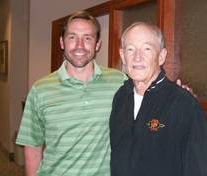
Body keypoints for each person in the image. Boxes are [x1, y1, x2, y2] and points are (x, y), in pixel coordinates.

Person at [16, 11, 126, 175]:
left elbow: (148, 107)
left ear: (97, 44)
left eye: (88, 38)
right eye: (72, 37)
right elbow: (32, 147)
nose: (79, 45)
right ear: (62, 42)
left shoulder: (119, 82)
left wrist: (174, 93)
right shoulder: (41, 89)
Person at [110, 22, 207, 176]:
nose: (137, 57)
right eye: (130, 49)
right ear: (123, 56)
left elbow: (197, 169)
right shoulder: (121, 97)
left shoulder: (185, 104)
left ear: (161, 56)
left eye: (147, 49)